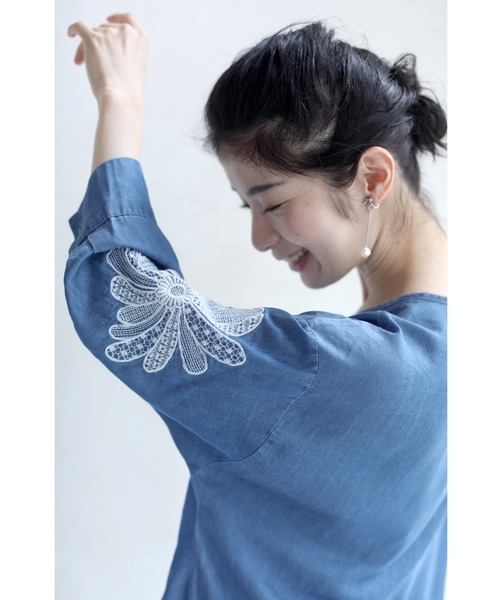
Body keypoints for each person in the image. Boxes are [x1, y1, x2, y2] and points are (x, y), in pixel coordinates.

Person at [64, 12, 447, 600]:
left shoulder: (349, 369)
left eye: (272, 203)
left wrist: (120, 101)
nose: (260, 238)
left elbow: (120, 295)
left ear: (372, 177)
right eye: (249, 208)